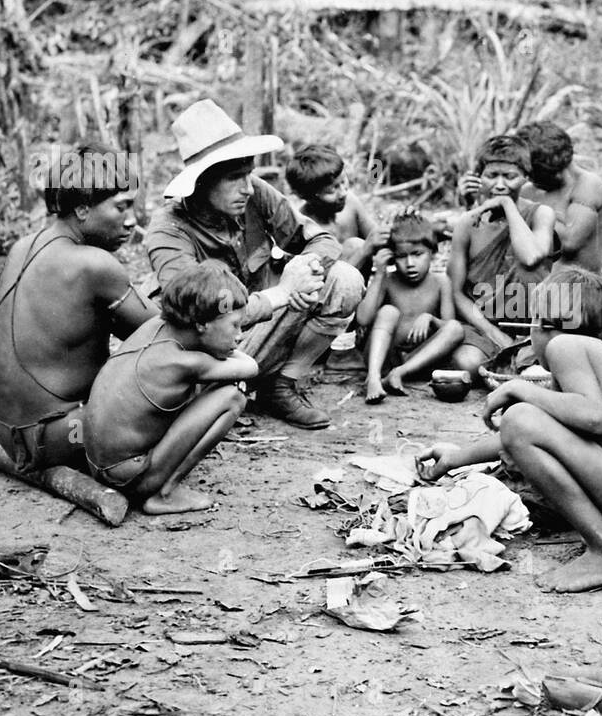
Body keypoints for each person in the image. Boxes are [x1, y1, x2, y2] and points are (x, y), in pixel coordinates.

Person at [416, 267, 602, 593]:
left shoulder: (564, 346)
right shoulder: (593, 354)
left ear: (543, 326)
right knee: (522, 423)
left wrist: (519, 390)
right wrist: (456, 458)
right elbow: (547, 434)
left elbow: (592, 418)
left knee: (519, 418)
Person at [144, 100, 359, 430]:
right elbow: (198, 315)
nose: (247, 187)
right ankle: (224, 396)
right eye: (233, 178)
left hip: (260, 329)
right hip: (208, 353)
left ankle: (280, 385)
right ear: (200, 181)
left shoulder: (254, 193)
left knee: (344, 279)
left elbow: (320, 238)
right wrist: (283, 293)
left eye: (248, 174)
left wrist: (304, 267)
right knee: (206, 394)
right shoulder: (168, 231)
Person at [0, 142, 156, 473]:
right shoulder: (95, 265)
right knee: (190, 388)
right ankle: (152, 481)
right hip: (60, 438)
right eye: (121, 207)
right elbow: (168, 333)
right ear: (82, 210)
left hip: (7, 432)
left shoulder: (24, 247)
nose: (131, 221)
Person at [83, 263, 258, 514]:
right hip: (130, 479)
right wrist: (224, 348)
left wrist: (220, 339)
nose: (239, 335)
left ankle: (160, 479)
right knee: (233, 395)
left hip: (100, 467)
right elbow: (250, 367)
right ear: (202, 324)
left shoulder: (155, 326)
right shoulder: (185, 362)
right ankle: (163, 494)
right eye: (234, 326)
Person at [447, 134, 556, 380]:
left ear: (526, 178)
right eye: (491, 175)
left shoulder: (541, 214)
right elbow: (456, 292)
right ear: (479, 177)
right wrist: (493, 333)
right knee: (468, 363)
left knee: (544, 363)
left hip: (532, 325)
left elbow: (530, 257)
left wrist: (507, 205)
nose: (499, 185)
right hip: (484, 322)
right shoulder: (467, 224)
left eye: (510, 177)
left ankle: (523, 356)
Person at [356, 211, 464, 403]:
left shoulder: (441, 282)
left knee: (455, 327)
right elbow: (363, 319)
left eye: (417, 254)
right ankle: (373, 378)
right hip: (384, 358)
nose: (410, 264)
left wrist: (430, 318)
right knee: (388, 312)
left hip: (418, 359)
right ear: (391, 257)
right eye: (401, 257)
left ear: (433, 252)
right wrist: (379, 273)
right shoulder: (388, 280)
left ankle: (399, 374)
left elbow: (448, 326)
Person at [514, 121, 602, 274]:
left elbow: (569, 242)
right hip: (534, 288)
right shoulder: (527, 192)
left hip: (577, 287)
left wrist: (519, 205)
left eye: (532, 174)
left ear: (554, 172)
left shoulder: (587, 185)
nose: (528, 178)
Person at [283, 143, 385, 275]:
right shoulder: (303, 228)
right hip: (329, 291)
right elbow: (322, 282)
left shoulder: (350, 204)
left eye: (343, 182)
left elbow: (376, 236)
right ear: (309, 196)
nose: (343, 192)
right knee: (355, 245)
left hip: (364, 284)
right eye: (332, 190)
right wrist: (363, 251)